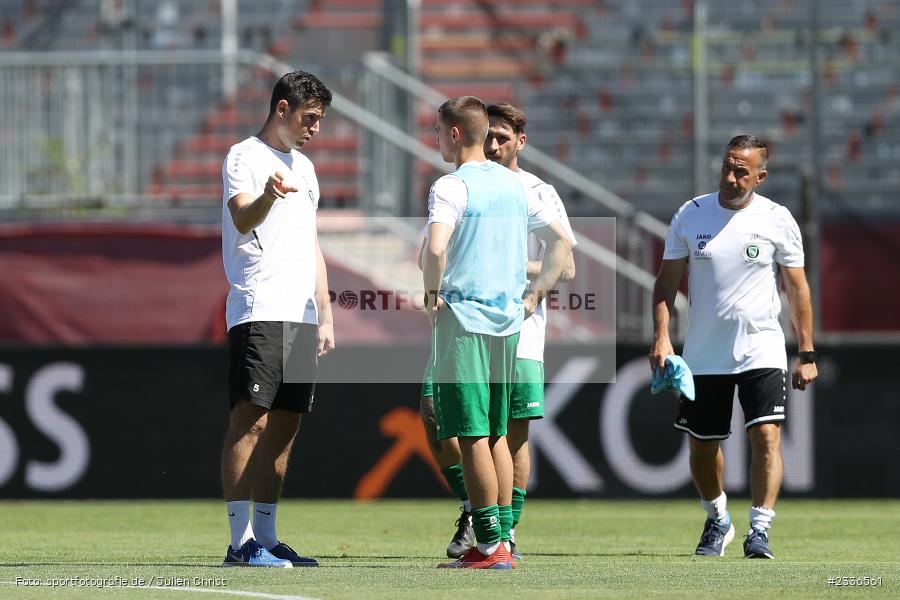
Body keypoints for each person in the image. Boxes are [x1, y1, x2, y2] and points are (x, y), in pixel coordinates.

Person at [420, 102, 577, 561]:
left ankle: (489, 543)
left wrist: (431, 294)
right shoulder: (515, 185)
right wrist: (533, 296)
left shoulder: (452, 185)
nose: (434, 140)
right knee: (496, 435)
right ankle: (503, 539)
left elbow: (435, 248)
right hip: (509, 324)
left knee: (469, 434)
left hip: (465, 321)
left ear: (453, 134)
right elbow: (562, 243)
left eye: (436, 132)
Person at [649, 135, 818, 559]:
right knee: (703, 449)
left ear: (760, 176)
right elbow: (666, 283)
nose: (730, 176)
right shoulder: (691, 214)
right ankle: (718, 517)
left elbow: (797, 289)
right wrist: (662, 338)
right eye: (727, 167)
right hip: (705, 353)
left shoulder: (778, 219)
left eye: (741, 171)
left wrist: (807, 351)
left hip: (762, 347)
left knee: (766, 435)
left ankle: (759, 529)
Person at [219, 71, 335, 568]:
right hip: (259, 305)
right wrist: (268, 194)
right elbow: (242, 218)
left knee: (286, 425)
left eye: (319, 121)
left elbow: (312, 244)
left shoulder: (306, 169)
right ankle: (238, 541)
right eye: (309, 118)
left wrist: (325, 312)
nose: (314, 128)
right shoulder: (244, 156)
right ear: (283, 108)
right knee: (251, 420)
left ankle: (265, 536)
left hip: (302, 313)